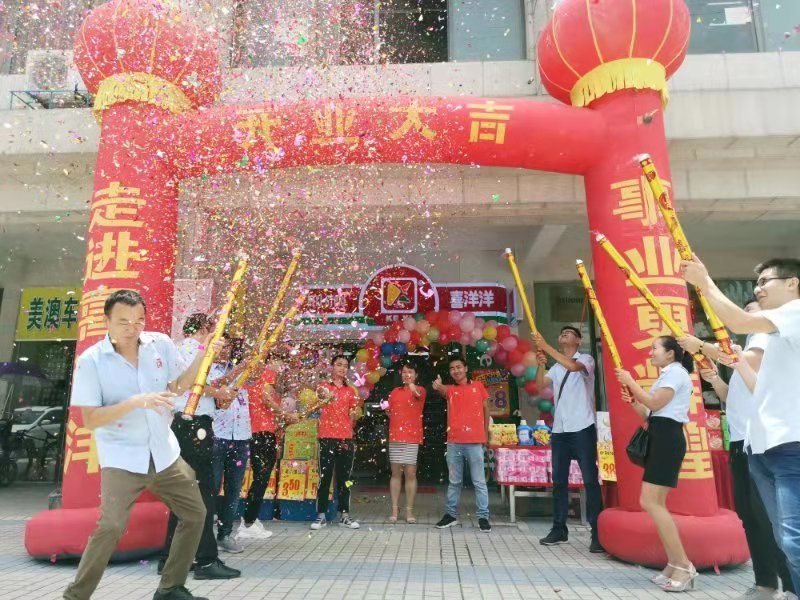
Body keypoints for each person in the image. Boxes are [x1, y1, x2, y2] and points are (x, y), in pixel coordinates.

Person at [63, 290, 224, 600]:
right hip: (123, 458)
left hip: (164, 454)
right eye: (123, 321)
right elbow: (90, 419)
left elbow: (178, 386)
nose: (132, 328)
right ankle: (75, 596)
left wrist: (204, 354)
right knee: (111, 526)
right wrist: (136, 402)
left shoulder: (159, 344)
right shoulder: (92, 361)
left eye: (139, 320)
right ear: (107, 321)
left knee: (195, 514)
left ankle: (171, 587)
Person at [681, 256, 800, 593]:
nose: (758, 289)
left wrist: (704, 282)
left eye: (765, 282)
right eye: (757, 283)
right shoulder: (776, 336)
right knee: (782, 537)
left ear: (793, 283)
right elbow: (753, 382)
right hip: (761, 446)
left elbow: (741, 321)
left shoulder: (794, 312)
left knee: (793, 541)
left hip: (789, 447)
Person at [159, 314, 240, 580]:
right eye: (215, 330)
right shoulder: (194, 348)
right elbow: (192, 383)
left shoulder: (184, 348)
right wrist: (219, 393)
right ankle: (206, 560)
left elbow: (197, 385)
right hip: (194, 427)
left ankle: (169, 558)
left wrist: (219, 394)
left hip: (188, 425)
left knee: (185, 494)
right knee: (203, 493)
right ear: (205, 328)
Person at [615, 336, 698, 593]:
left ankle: (683, 564)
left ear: (670, 353)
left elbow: (654, 403)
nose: (651, 353)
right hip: (660, 435)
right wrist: (633, 401)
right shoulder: (668, 375)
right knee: (653, 503)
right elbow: (650, 413)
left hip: (667, 439)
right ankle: (673, 563)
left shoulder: (676, 373)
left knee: (651, 502)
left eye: (655, 349)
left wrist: (630, 381)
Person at [533, 326, 603, 553]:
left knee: (590, 480)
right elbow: (540, 385)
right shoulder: (556, 367)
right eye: (561, 332)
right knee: (559, 481)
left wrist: (546, 347)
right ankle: (559, 528)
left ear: (578, 340)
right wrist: (541, 363)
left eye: (568, 332)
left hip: (583, 426)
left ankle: (598, 532)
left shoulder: (586, 359)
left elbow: (573, 367)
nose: (563, 333)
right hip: (560, 429)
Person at [236, 359, 297, 541]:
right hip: (262, 433)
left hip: (257, 432)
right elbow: (267, 400)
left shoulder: (249, 380)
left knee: (260, 478)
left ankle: (250, 519)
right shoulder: (267, 376)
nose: (281, 367)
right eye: (279, 362)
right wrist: (286, 414)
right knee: (261, 478)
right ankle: (248, 521)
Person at [432, 357, 492, 533]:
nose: (456, 370)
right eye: (452, 368)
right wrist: (438, 386)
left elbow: (486, 409)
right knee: (454, 481)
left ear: (466, 368)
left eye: (459, 367)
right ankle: (450, 515)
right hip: (454, 442)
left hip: (475, 441)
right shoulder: (451, 390)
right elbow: (443, 390)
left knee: (479, 481)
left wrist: (485, 434)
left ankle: (483, 517)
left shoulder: (478, 386)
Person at [306, 354, 363, 530]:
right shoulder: (323, 387)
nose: (342, 368)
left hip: (345, 438)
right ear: (332, 367)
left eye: (345, 366)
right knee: (325, 477)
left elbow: (354, 412)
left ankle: (344, 515)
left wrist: (353, 415)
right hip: (327, 437)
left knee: (346, 479)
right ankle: (321, 515)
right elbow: (316, 403)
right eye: (339, 364)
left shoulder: (350, 390)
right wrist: (326, 396)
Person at [210, 341, 252, 554]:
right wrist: (240, 368)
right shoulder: (207, 368)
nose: (225, 350)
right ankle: (204, 537)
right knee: (211, 487)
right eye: (221, 345)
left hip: (241, 436)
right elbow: (216, 385)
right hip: (217, 436)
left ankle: (225, 534)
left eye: (228, 346)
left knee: (234, 489)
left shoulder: (241, 369)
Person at [386, 361, 427, 524]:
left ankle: (409, 510)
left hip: (412, 437)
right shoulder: (395, 392)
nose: (407, 374)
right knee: (396, 473)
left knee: (410, 473)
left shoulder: (421, 389)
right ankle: (394, 509)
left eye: (410, 372)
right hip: (395, 436)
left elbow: (417, 394)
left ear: (416, 375)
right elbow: (390, 411)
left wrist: (411, 385)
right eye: (404, 372)